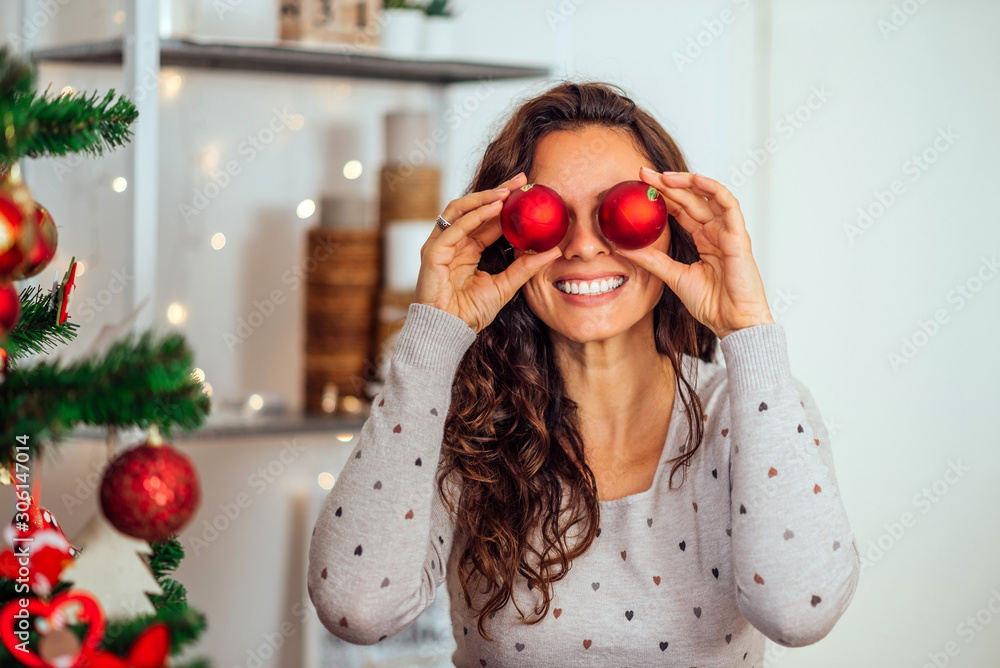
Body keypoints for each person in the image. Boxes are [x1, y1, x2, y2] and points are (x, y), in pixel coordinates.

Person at [308, 81, 860, 666]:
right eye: (547, 216)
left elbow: (801, 611)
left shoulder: (750, 410)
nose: (583, 246)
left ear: (673, 226)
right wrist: (434, 337)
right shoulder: (467, 424)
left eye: (619, 212)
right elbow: (356, 609)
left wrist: (747, 329)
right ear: (506, 237)